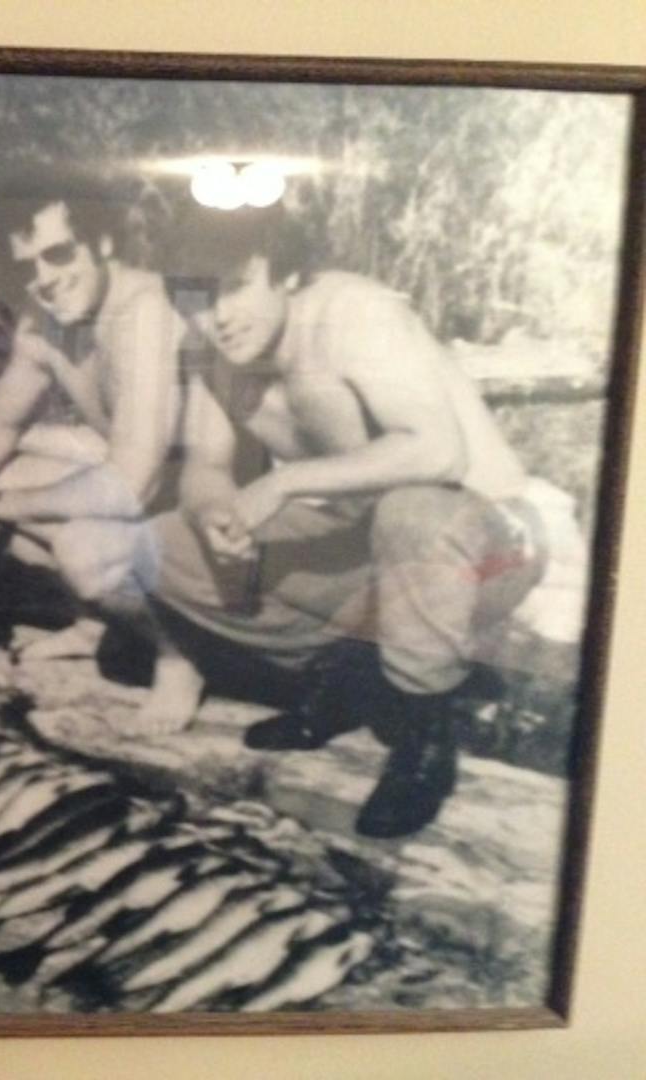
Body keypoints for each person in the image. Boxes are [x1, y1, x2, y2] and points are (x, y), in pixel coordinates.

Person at [148, 203, 577, 838]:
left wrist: (284, 480)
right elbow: (203, 471)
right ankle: (348, 672)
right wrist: (219, 514)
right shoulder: (212, 350)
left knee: (412, 513)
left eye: (237, 286)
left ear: (285, 273)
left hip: (493, 537)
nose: (220, 316)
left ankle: (424, 738)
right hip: (372, 547)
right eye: (200, 297)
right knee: (163, 546)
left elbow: (437, 452)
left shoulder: (353, 313)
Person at [0, 181, 199, 731]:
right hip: (159, 500)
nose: (44, 278)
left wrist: (2, 510)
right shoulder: (47, 322)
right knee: (1, 473)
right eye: (29, 266)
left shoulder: (145, 314)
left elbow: (135, 482)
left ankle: (179, 657)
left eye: (59, 254)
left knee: (73, 542)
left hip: (221, 519)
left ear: (105, 242)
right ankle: (97, 625)